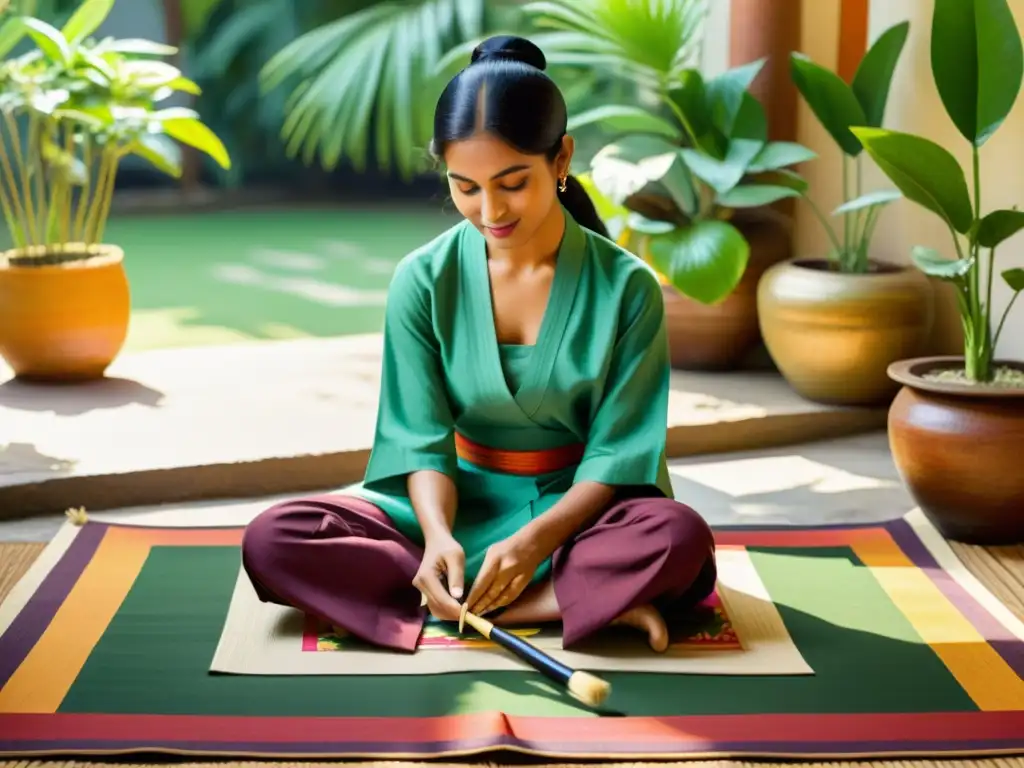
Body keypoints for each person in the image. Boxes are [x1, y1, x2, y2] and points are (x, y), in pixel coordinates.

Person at [241, 34, 716, 655]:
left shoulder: (627, 288)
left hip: (577, 513)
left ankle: (485, 603)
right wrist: (437, 537)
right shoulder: (421, 278)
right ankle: (564, 602)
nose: (489, 210)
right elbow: (418, 440)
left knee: (677, 537)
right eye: (465, 186)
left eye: (512, 182)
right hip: (452, 503)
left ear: (561, 158)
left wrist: (537, 541)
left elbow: (619, 458)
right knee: (274, 538)